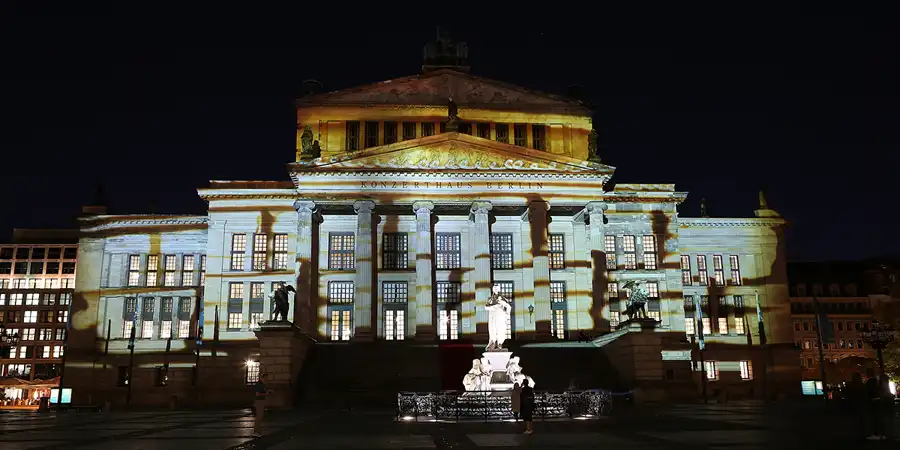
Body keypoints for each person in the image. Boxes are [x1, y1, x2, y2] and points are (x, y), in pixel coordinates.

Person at [847, 373, 867, 439]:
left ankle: (856, 433)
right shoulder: (862, 386)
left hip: (853, 405)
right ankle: (862, 433)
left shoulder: (851, 386)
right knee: (861, 420)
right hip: (861, 405)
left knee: (855, 420)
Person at [253, 373, 269, 437]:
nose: (267, 380)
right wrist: (266, 394)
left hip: (261, 401)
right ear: (262, 378)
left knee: (260, 417)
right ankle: (256, 431)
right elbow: (257, 394)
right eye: (266, 378)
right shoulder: (259, 384)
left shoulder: (262, 384)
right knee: (259, 417)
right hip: (259, 402)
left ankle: (258, 431)